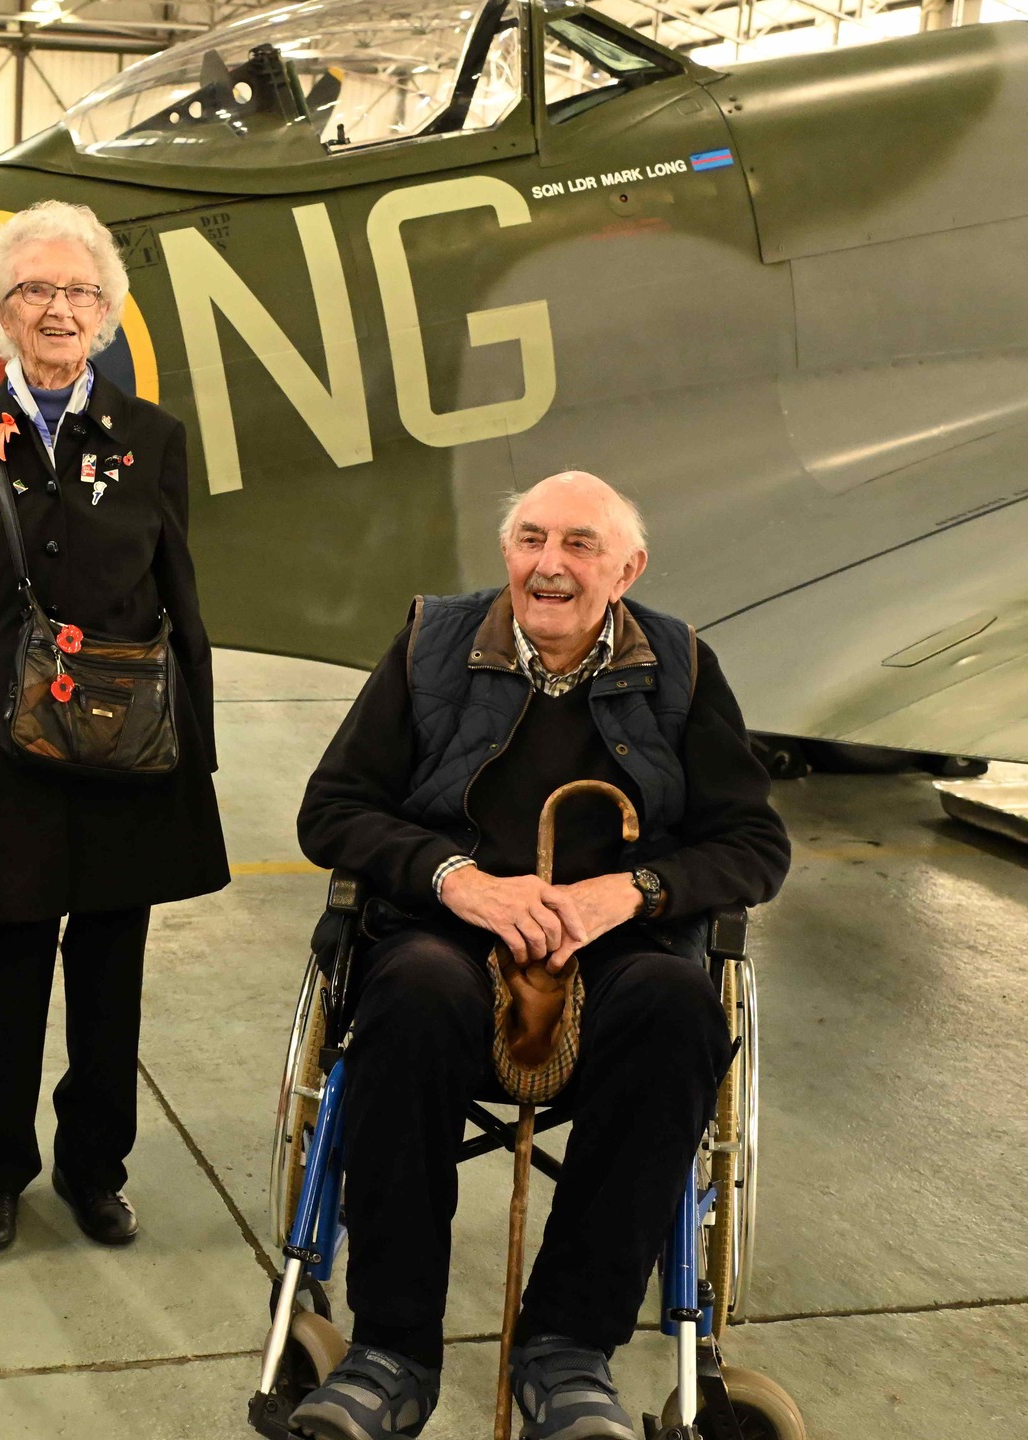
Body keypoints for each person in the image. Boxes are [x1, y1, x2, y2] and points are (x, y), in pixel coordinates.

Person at [291, 471, 791, 1440]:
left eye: (578, 546)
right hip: (449, 938)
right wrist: (453, 878)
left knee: (678, 1012)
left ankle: (566, 1351)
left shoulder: (683, 665)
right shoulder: (432, 644)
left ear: (627, 568)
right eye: (529, 540)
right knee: (412, 994)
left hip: (616, 954)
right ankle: (391, 1352)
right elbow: (332, 810)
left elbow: (754, 845)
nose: (548, 566)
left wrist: (632, 893)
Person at [0, 200, 230, 1256]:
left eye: (79, 291)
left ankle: (96, 1170)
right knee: (5, 976)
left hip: (125, 756)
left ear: (108, 315)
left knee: (109, 983)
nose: (58, 309)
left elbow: (181, 599)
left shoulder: (153, 440)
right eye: (35, 290)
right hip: (2, 760)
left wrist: (190, 758)